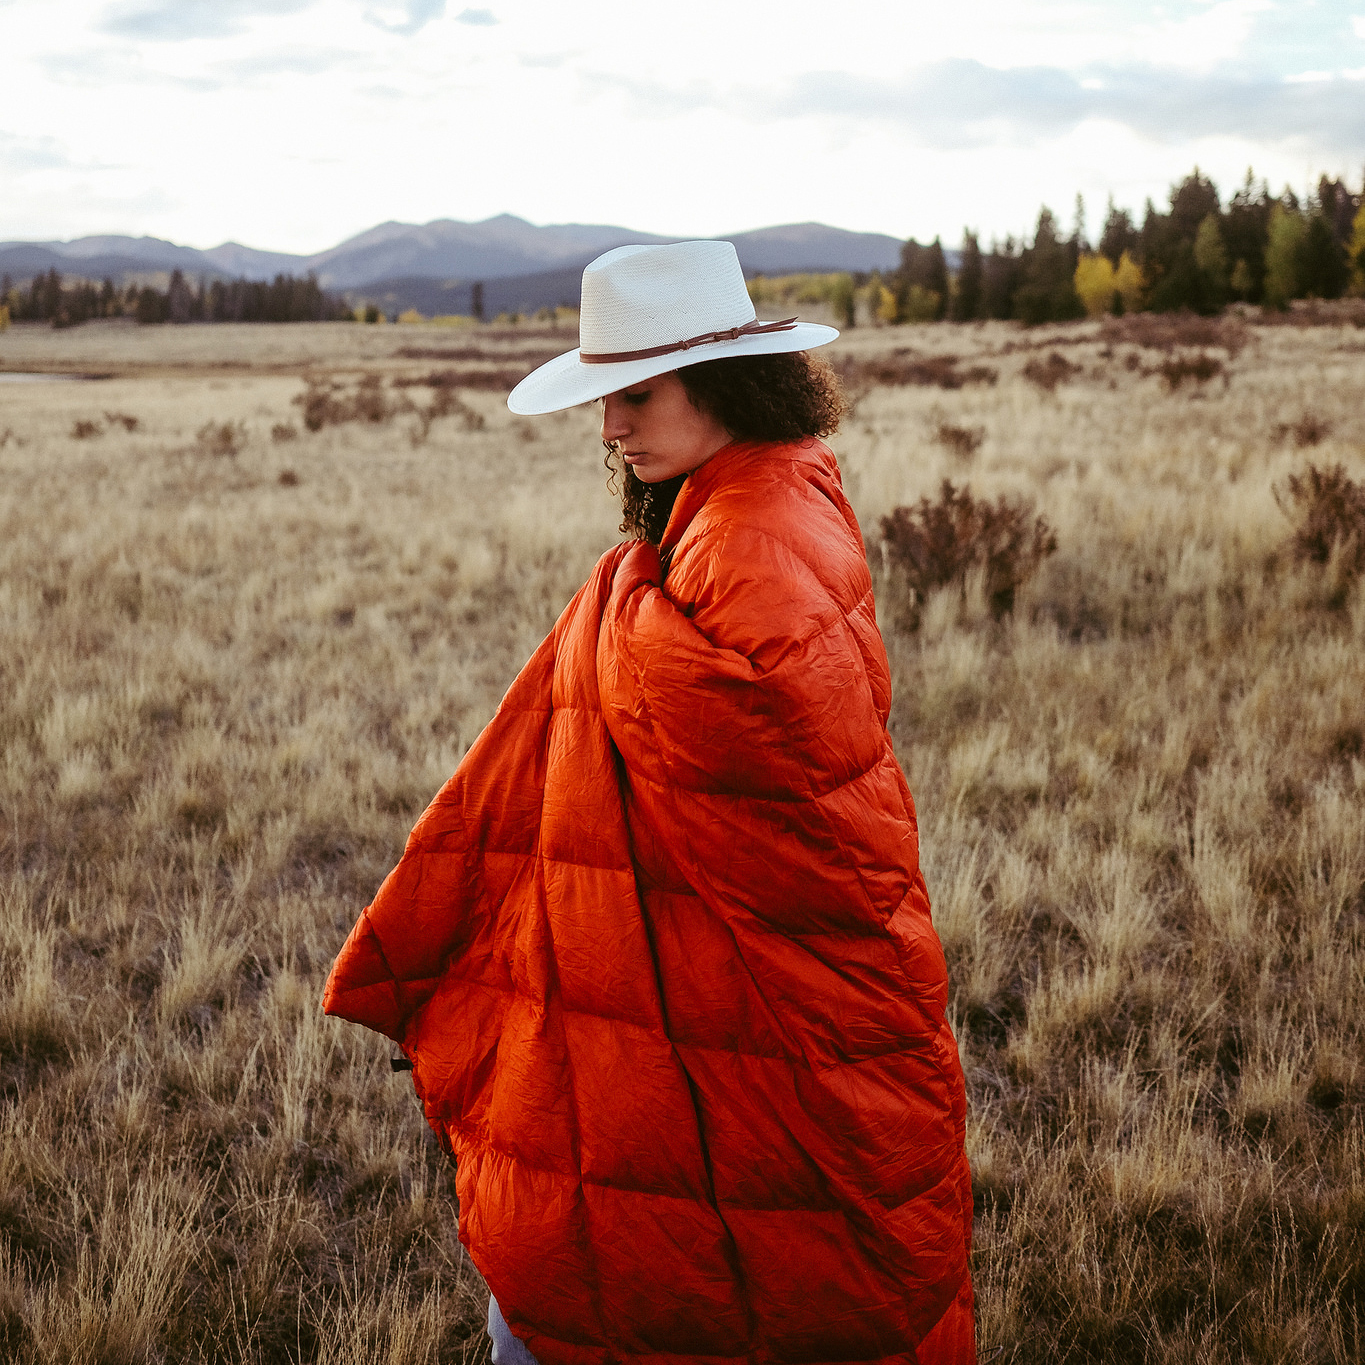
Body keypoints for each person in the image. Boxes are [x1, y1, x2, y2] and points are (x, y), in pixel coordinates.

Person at [323, 240, 975, 1364]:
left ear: (725, 381)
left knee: (619, 1265)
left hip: (753, 984)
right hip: (685, 963)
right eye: (605, 397)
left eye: (635, 394)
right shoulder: (755, 492)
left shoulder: (753, 530)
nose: (610, 427)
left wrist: (620, 597)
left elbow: (758, 717)